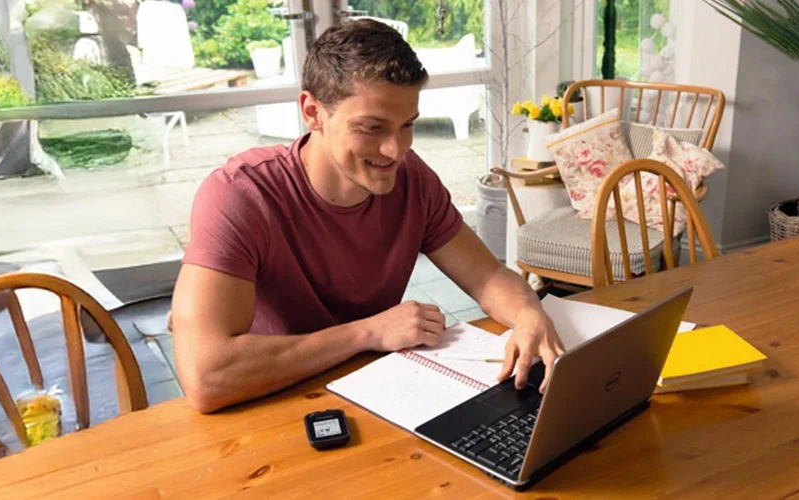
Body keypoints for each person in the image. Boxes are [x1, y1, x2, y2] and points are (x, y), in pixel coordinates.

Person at [170, 20, 564, 414]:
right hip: (270, 402)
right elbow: (208, 376)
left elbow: (487, 276)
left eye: (407, 125)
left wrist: (528, 314)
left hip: (376, 390)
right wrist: (368, 333)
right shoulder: (239, 195)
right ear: (312, 112)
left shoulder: (413, 180)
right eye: (372, 127)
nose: (395, 150)